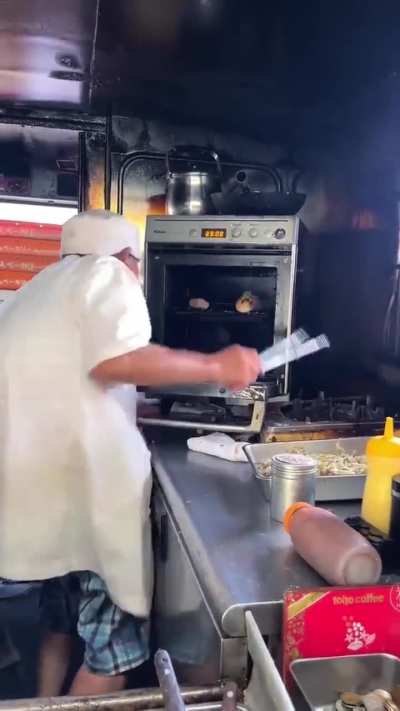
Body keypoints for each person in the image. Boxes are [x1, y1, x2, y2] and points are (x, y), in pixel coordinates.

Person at [0, 209, 261, 697]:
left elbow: (71, 377)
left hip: (42, 504)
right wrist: (216, 365)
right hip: (92, 503)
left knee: (59, 625)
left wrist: (134, 400)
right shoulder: (106, 274)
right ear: (126, 257)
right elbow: (116, 358)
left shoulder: (37, 290)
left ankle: (44, 703)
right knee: (111, 651)